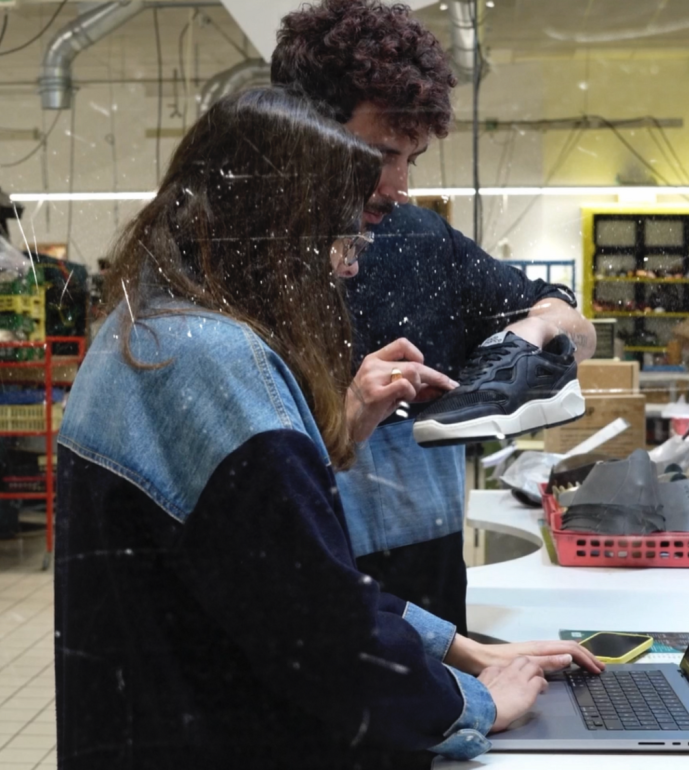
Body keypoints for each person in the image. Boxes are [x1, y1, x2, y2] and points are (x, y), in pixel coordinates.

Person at [55, 87, 600, 768]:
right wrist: (478, 701)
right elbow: (324, 639)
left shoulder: (144, 330)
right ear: (277, 230)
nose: (348, 267)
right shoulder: (220, 367)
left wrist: (457, 646)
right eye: (342, 239)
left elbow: (288, 578)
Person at [272, 0, 598, 634]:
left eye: (409, 160)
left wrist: (536, 333)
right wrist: (346, 415)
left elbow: (572, 322)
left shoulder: (422, 243)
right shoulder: (240, 266)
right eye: (378, 156)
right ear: (303, 131)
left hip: (425, 593)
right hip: (299, 594)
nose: (397, 186)